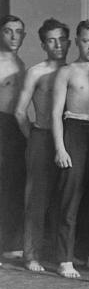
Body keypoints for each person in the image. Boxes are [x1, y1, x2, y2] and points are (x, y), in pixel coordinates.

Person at [51, 20, 89, 279]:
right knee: (70, 196)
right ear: (77, 40)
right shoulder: (66, 72)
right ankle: (64, 258)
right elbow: (55, 114)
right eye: (87, 41)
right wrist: (60, 148)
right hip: (73, 130)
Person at [14, 18, 69, 272]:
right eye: (51, 40)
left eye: (61, 39)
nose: (57, 45)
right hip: (42, 136)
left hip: (68, 141)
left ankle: (61, 255)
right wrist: (34, 138)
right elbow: (20, 112)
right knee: (36, 198)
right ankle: (31, 254)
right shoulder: (36, 72)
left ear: (69, 41)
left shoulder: (74, 71)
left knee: (64, 199)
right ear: (43, 44)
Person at [0, 15, 27, 262]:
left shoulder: (21, 63)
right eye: (8, 31)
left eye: (19, 32)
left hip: (14, 127)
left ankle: (8, 244)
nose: (14, 36)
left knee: (11, 187)